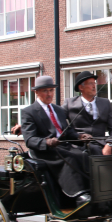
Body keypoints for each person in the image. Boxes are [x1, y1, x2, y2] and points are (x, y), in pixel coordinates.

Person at [20, 76, 93, 206]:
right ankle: (78, 193)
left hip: (63, 146)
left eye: (51, 91)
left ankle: (96, 188)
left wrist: (79, 136)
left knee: (93, 151)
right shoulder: (29, 112)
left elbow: (68, 131)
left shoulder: (58, 110)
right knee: (73, 156)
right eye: (45, 91)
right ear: (36, 92)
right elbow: (30, 139)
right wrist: (47, 142)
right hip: (44, 151)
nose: (49, 94)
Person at [62, 71, 112, 156]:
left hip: (102, 143)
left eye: (94, 83)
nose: (94, 86)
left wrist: (109, 144)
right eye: (90, 83)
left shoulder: (105, 103)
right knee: (93, 150)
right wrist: (76, 136)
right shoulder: (69, 103)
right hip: (81, 145)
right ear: (81, 87)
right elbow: (60, 123)